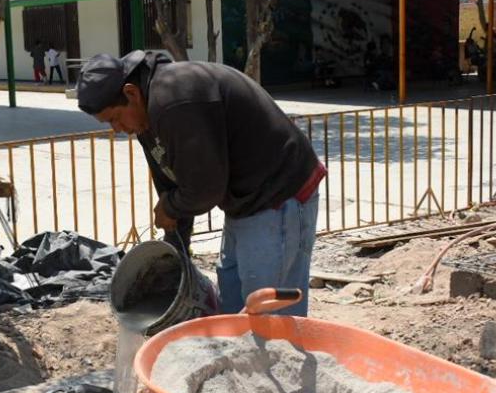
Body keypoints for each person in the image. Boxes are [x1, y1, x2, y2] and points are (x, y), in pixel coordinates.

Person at [76, 51, 324, 317]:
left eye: (114, 118)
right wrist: (175, 246)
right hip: (246, 200)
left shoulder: (174, 102)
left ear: (131, 93)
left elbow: (204, 190)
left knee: (268, 312)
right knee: (233, 302)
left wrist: (170, 208)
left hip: (279, 195)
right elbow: (171, 179)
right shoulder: (145, 113)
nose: (117, 129)